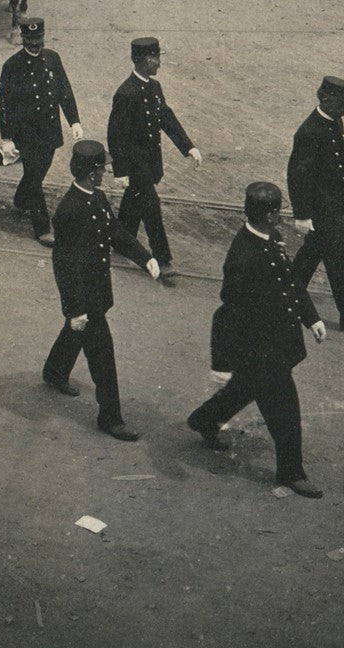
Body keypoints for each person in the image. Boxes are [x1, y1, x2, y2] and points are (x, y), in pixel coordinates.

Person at [187, 181, 326, 497]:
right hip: (261, 349)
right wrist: (221, 361)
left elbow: (290, 281)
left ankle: (204, 419)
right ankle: (292, 472)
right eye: (278, 212)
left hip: (274, 341)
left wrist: (312, 317)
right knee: (285, 410)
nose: (281, 216)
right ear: (270, 215)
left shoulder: (269, 238)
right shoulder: (243, 257)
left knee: (244, 387)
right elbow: (227, 312)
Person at [42, 139, 160, 441]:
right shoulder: (70, 211)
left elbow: (115, 233)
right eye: (103, 168)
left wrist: (144, 258)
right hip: (85, 298)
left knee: (76, 332)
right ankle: (111, 417)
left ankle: (55, 371)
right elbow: (65, 265)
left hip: (96, 290)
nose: (107, 172)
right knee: (103, 356)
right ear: (92, 173)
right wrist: (75, 309)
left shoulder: (97, 198)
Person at [107, 37, 201, 286]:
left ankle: (120, 239)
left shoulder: (154, 87)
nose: (159, 63)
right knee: (150, 207)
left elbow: (166, 119)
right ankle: (163, 258)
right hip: (136, 166)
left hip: (150, 164)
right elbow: (116, 135)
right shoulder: (126, 93)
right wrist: (121, 171)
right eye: (157, 58)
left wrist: (188, 147)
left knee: (133, 205)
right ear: (148, 60)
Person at [287, 75, 344, 337]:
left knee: (308, 257)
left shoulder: (334, 121)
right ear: (325, 99)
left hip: (335, 206)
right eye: (341, 103)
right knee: (340, 264)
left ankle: (282, 296)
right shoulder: (308, 132)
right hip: (321, 211)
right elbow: (297, 176)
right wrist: (301, 215)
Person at [0, 17, 83, 245]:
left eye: (38, 38)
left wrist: (74, 121)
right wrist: (6, 137)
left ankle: (20, 199)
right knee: (35, 177)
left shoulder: (52, 59)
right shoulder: (12, 66)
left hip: (50, 129)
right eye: (30, 39)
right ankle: (42, 227)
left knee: (39, 170)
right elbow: (5, 103)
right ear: (23, 39)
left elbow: (64, 90)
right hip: (26, 132)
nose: (35, 43)